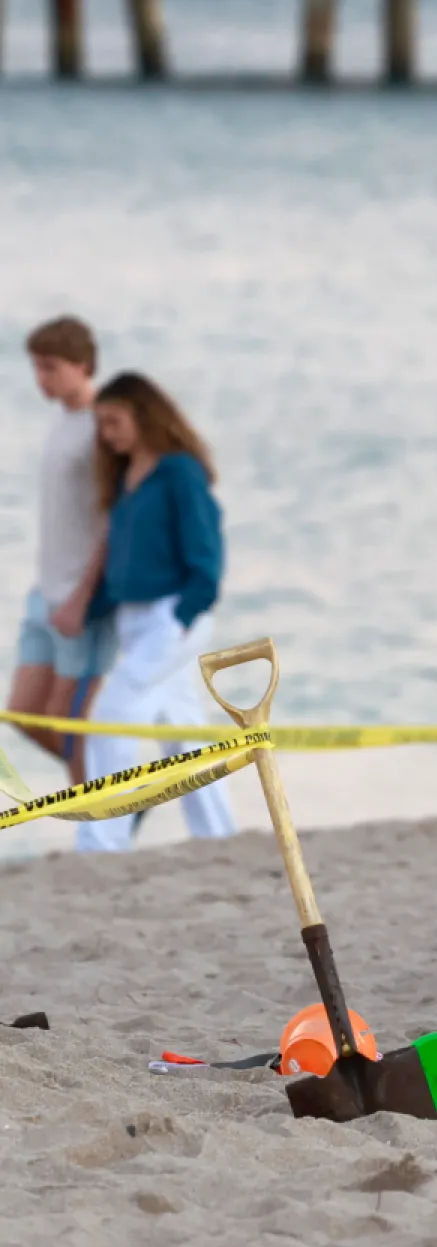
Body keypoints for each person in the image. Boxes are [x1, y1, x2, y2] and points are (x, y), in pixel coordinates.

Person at [70, 372, 236, 853]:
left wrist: (183, 616)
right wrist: (88, 608)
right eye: (101, 424)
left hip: (172, 615)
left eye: (115, 421)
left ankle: (102, 840)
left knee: (112, 715)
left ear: (144, 416)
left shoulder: (179, 472)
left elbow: (206, 554)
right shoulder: (126, 480)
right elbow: (127, 560)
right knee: (182, 732)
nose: (108, 433)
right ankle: (219, 837)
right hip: (133, 619)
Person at [7, 317, 114, 784]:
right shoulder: (61, 421)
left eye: (50, 368)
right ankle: (118, 793)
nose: (41, 379)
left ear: (82, 365)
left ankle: (104, 818)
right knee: (24, 713)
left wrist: (82, 597)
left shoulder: (100, 428)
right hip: (45, 590)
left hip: (81, 598)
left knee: (70, 724)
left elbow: (115, 521)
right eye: (36, 368)